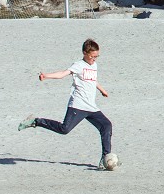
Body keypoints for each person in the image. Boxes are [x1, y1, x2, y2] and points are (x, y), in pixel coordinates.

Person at [18, 38, 114, 169]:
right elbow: (62, 74)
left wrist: (102, 90)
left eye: (97, 56)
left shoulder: (94, 65)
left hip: (91, 107)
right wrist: (46, 76)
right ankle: (36, 121)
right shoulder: (78, 65)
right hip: (78, 105)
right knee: (64, 129)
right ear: (85, 53)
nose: (94, 59)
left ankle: (105, 158)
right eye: (92, 56)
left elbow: (93, 80)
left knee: (106, 125)